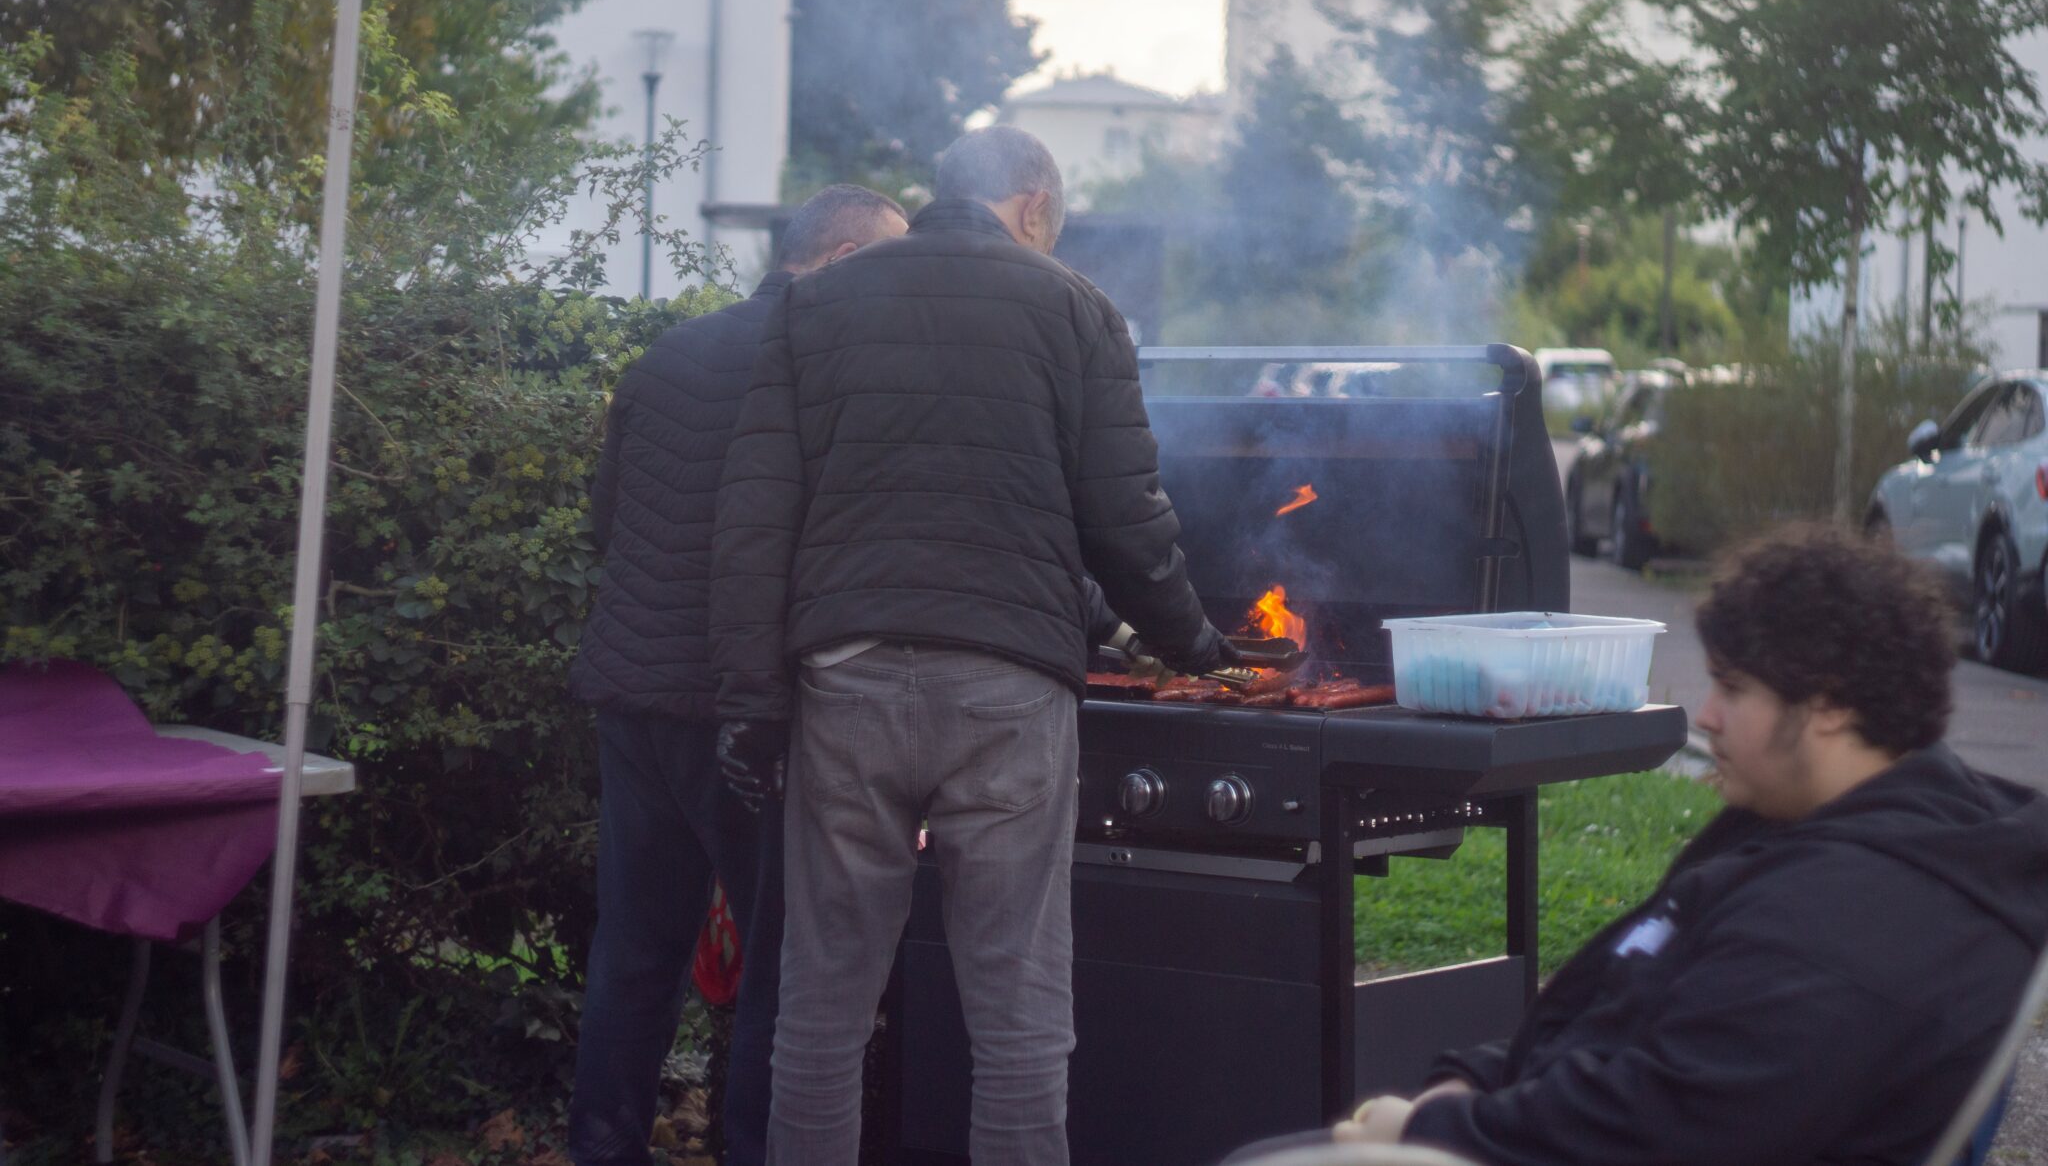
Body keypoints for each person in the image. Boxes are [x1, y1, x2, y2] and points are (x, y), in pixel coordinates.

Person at [709, 125, 1233, 1166]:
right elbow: (1124, 518)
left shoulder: (815, 305)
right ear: (1033, 203)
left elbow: (755, 517)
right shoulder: (1077, 309)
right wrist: (1192, 642)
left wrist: (751, 700)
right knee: (1018, 1016)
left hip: (844, 683)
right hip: (1008, 693)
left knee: (819, 1016)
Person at [1341, 522, 2048, 1166]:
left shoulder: (1857, 916)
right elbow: (1628, 1013)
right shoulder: (1816, 823)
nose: (1705, 715)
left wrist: (1435, 1130)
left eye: (1733, 689)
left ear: (1829, 703)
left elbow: (1657, 1127)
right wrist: (1474, 1078)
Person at [565, 184, 909, 1166]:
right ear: (841, 261)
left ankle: (603, 1147)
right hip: (746, 708)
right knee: (781, 963)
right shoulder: (827, 369)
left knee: (633, 951)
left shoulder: (669, 352)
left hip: (632, 701)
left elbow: (606, 521)